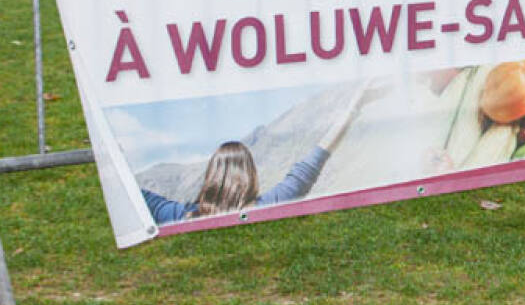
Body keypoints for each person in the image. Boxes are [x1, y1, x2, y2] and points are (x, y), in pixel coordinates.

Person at [140, 80, 372, 224]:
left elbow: (143, 198)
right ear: (249, 174)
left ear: (212, 176)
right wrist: (354, 109)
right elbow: (314, 160)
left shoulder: (183, 216)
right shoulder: (270, 206)